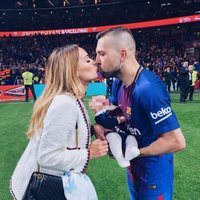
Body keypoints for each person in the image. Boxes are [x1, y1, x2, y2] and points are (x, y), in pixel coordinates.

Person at [94, 27, 186, 200]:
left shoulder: (148, 89)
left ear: (122, 55)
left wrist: (136, 152)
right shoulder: (118, 83)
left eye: (102, 54)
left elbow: (176, 141)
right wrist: (100, 124)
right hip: (134, 169)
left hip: (154, 175)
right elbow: (118, 114)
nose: (97, 60)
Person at [10, 45, 108, 200]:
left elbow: (65, 132)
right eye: (87, 60)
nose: (94, 62)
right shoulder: (65, 103)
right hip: (47, 190)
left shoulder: (70, 98)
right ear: (74, 70)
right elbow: (47, 156)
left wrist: (93, 129)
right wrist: (90, 153)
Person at [89, 95, 139, 168]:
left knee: (131, 138)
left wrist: (126, 110)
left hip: (124, 134)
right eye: (103, 103)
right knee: (113, 137)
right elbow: (107, 123)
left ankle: (130, 152)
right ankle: (120, 158)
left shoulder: (113, 110)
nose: (107, 103)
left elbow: (124, 110)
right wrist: (120, 119)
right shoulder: (100, 116)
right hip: (112, 134)